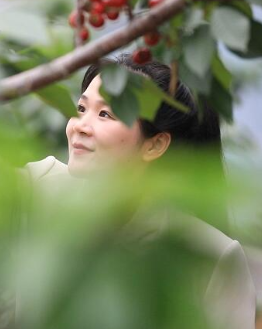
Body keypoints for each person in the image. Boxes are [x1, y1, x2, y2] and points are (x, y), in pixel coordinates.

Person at [26, 53, 257, 329]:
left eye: (105, 114)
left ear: (154, 145)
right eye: (81, 108)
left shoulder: (211, 255)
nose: (81, 127)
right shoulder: (37, 188)